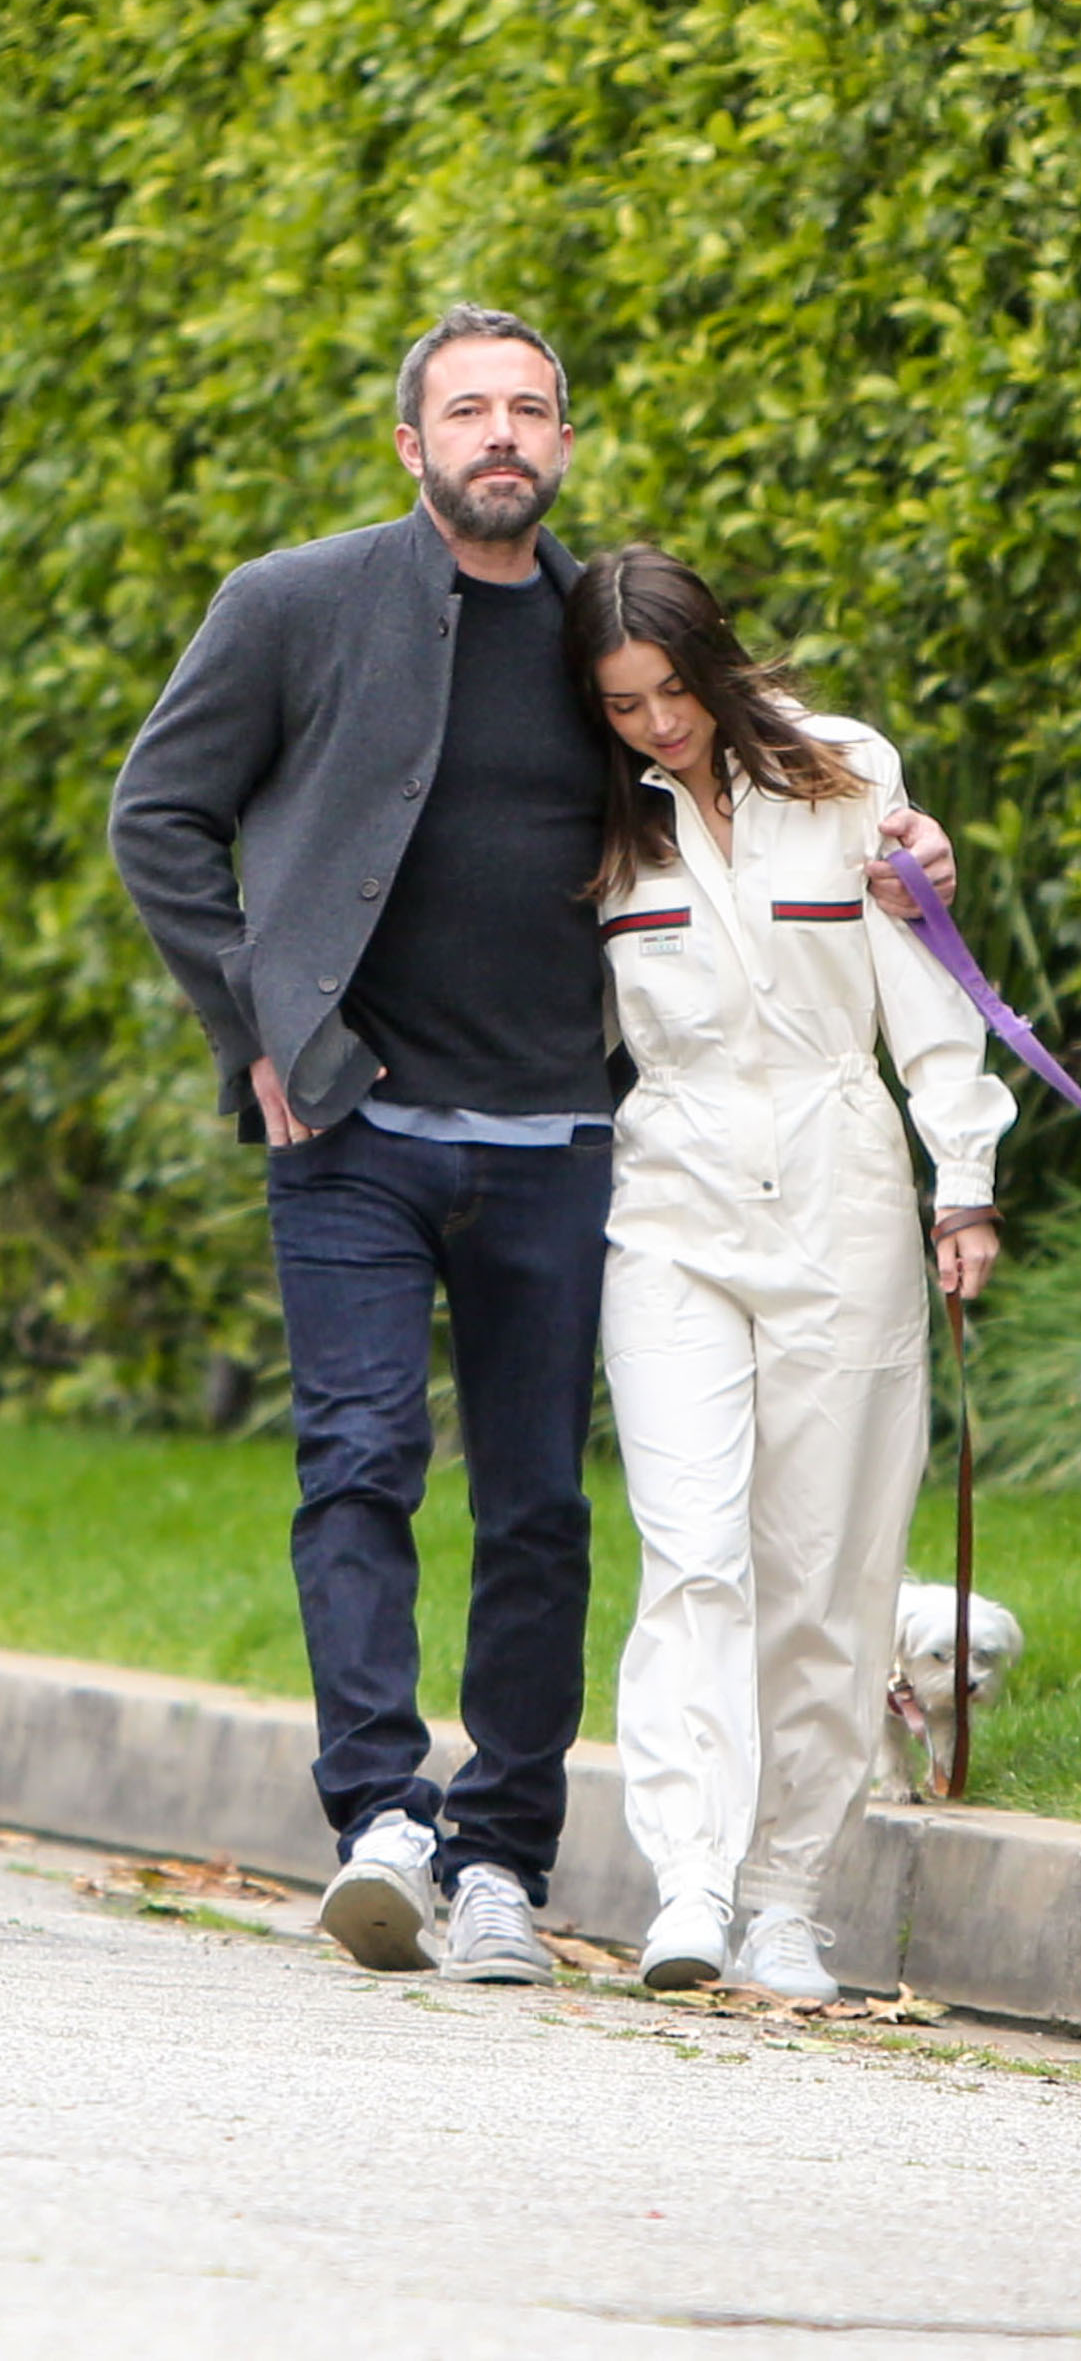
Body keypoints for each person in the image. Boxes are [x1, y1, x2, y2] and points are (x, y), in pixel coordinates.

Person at [108, 306, 958, 1986]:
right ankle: (379, 1822)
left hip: (567, 1140)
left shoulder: (594, 644)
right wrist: (264, 1024)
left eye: (530, 410)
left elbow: (733, 748)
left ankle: (500, 1848)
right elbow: (161, 815)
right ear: (409, 444)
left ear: (562, 442)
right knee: (356, 1464)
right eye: (467, 410)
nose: (501, 433)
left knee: (535, 1513)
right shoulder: (288, 604)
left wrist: (896, 836)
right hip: (350, 1127)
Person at [565, 543, 1014, 2001]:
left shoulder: (841, 774)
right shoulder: (592, 811)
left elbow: (924, 985)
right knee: (693, 1549)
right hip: (671, 1192)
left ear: (717, 662)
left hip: (843, 1186)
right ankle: (689, 1876)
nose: (658, 727)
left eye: (674, 692)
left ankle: (784, 1900)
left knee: (826, 1569)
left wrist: (964, 1179)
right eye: (624, 704)